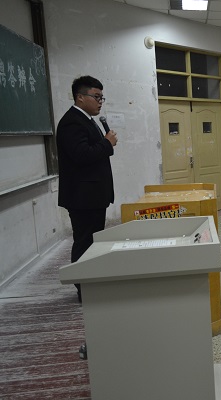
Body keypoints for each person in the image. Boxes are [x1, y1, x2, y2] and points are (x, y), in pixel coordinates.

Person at [57, 75, 118, 301]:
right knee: (84, 242)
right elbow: (82, 155)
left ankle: (91, 283)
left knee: (92, 242)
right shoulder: (72, 122)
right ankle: (84, 289)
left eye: (102, 97)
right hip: (83, 197)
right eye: (96, 96)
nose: (100, 101)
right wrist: (107, 143)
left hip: (92, 196)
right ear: (80, 97)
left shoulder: (86, 120)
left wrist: (105, 143)